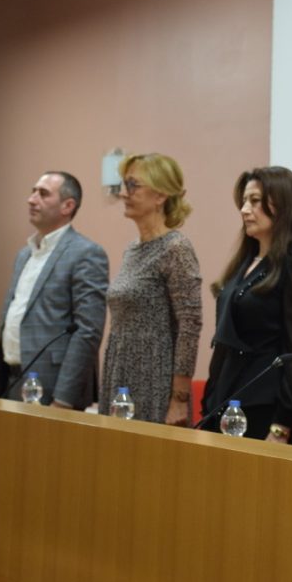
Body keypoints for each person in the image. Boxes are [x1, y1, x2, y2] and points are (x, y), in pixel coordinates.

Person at [201, 167, 292, 446]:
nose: (245, 210)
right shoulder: (243, 265)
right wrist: (208, 405)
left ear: (283, 206)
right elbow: (223, 343)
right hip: (227, 402)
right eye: (244, 201)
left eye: (255, 201)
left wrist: (282, 425)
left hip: (271, 411)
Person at [0, 171, 109, 408]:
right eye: (33, 192)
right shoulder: (25, 254)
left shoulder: (86, 253)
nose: (31, 199)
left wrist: (64, 399)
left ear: (67, 206)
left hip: (53, 388)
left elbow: (88, 331)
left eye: (43, 194)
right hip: (10, 379)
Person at [99, 153, 202, 425]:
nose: (124, 193)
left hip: (154, 379)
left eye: (133, 185)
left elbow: (190, 325)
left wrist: (179, 399)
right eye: (124, 184)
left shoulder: (176, 248)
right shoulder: (132, 249)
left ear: (160, 195)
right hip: (119, 371)